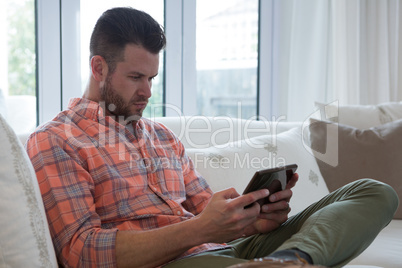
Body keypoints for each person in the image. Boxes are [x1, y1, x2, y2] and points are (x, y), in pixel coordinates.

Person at [26, 7, 399, 268]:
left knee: (372, 191)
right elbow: (81, 252)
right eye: (136, 78)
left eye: (152, 78)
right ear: (98, 67)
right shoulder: (57, 141)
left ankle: (288, 261)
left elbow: (211, 213)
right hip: (178, 262)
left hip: (231, 250)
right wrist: (201, 228)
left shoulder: (163, 138)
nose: (148, 92)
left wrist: (256, 219)